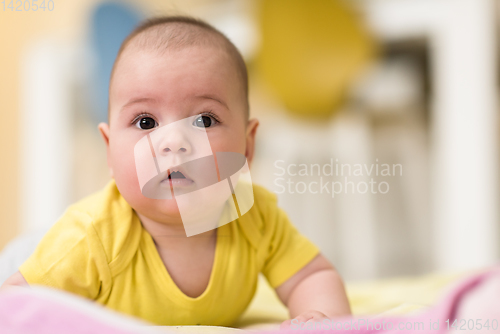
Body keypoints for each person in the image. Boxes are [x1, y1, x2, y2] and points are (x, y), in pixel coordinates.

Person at [0, 16, 351, 328]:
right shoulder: (89, 238)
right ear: (110, 150)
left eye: (204, 120)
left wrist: (321, 318)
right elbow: (15, 306)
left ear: (247, 146)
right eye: (145, 121)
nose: (174, 142)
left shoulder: (256, 218)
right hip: (31, 258)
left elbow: (311, 275)